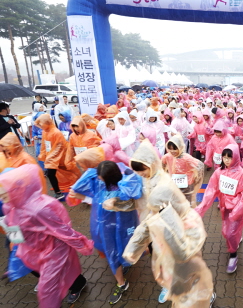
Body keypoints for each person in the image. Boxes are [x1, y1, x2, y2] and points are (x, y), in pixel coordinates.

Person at [0, 164, 93, 308]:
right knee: (44, 273)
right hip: (33, 249)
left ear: (16, 188)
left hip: (54, 250)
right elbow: (14, 230)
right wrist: (15, 255)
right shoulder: (9, 206)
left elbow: (63, 230)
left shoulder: (39, 209)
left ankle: (78, 285)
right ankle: (78, 283)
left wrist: (83, 245)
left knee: (46, 290)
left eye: (4, 193)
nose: (1, 197)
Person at [125, 160, 216, 306]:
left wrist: (168, 217)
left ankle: (207, 297)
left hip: (188, 265)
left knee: (193, 283)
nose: (155, 213)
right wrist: (132, 250)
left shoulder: (191, 220)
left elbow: (184, 252)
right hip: (171, 261)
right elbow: (145, 227)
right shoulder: (159, 212)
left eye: (159, 209)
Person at [69, 161, 142, 305]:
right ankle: (122, 276)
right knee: (114, 252)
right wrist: (81, 193)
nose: (98, 178)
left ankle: (122, 283)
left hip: (120, 226)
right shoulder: (101, 184)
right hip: (108, 228)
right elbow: (84, 192)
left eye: (100, 176)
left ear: (109, 177)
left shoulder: (124, 189)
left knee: (121, 248)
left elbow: (133, 195)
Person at [195, 144, 243, 274]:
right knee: (227, 231)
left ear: (236, 157)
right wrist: (201, 208)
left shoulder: (242, 174)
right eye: (224, 157)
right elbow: (210, 191)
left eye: (229, 157)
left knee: (230, 233)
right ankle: (237, 237)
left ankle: (233, 256)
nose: (226, 160)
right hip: (225, 207)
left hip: (237, 209)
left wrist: (237, 211)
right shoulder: (219, 172)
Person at [35, 113, 80, 199]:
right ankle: (59, 192)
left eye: (41, 124)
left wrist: (49, 158)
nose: (40, 126)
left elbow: (59, 147)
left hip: (60, 156)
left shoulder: (56, 132)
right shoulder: (45, 131)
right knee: (52, 174)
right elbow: (45, 144)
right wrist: (43, 154)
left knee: (68, 170)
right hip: (52, 157)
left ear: (47, 122)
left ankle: (68, 189)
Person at [162, 135, 204, 207]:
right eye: (170, 149)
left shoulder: (186, 158)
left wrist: (195, 178)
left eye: (175, 149)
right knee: (175, 204)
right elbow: (162, 166)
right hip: (174, 184)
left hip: (187, 185)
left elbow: (199, 166)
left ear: (180, 147)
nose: (172, 151)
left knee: (187, 204)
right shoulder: (167, 157)